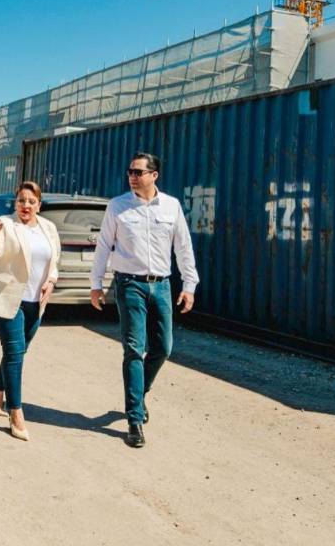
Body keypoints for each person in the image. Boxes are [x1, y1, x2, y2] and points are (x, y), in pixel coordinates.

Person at [89, 152, 199, 449]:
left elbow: (184, 248)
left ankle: (139, 392)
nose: (132, 176)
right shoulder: (118, 206)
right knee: (134, 350)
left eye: (138, 172)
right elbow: (103, 246)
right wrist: (95, 284)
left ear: (154, 175)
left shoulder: (171, 206)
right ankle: (134, 418)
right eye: (130, 172)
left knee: (163, 347)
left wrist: (189, 284)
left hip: (161, 285)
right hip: (129, 285)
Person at [0, 181, 60, 441]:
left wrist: (51, 280)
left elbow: (54, 260)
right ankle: (16, 412)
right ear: (15, 203)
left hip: (35, 301)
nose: (25, 205)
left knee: (18, 350)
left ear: (39, 204)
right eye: (21, 200)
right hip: (7, 298)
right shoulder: (5, 223)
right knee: (15, 353)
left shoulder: (48, 228)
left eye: (31, 201)